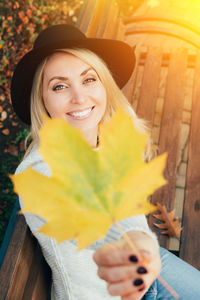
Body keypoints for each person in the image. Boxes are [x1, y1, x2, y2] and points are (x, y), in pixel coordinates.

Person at [11, 24, 200, 300]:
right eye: (60, 86)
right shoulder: (41, 171)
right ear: (42, 99)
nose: (79, 97)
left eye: (89, 80)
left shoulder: (105, 137)